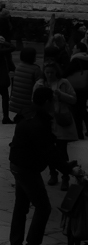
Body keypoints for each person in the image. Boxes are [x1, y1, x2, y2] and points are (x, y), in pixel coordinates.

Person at [7, 86, 59, 245]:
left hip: (18, 163)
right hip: (26, 167)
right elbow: (48, 151)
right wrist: (67, 168)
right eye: (53, 101)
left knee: (21, 205)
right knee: (43, 207)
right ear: (47, 102)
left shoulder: (29, 114)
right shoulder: (38, 122)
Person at [34, 62, 77, 190]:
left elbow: (73, 99)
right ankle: (53, 174)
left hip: (60, 119)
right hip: (46, 121)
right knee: (49, 150)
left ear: (56, 72)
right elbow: (34, 100)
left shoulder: (64, 83)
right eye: (47, 72)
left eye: (52, 72)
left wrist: (61, 95)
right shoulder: (39, 84)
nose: (49, 75)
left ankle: (65, 177)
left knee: (62, 150)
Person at [10, 46, 43, 123]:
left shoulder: (18, 67)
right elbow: (39, 85)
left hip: (16, 99)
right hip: (27, 100)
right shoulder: (35, 69)